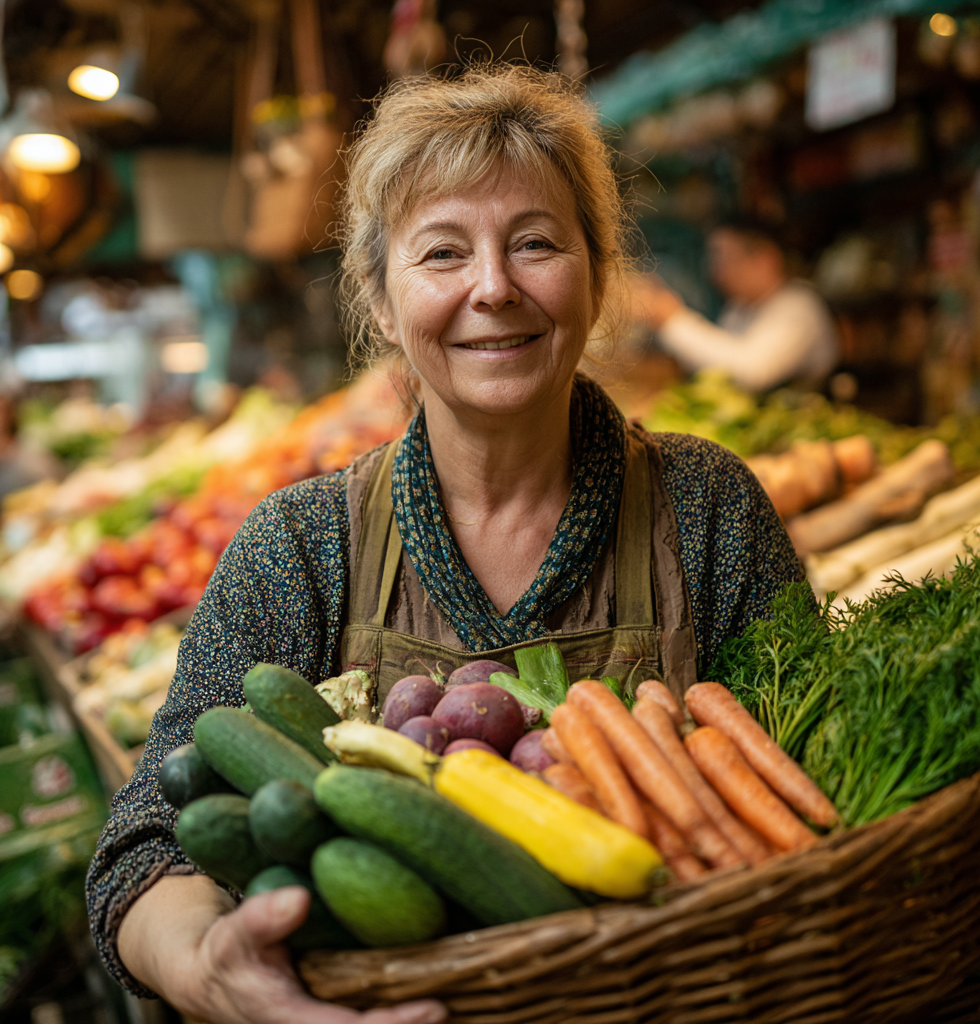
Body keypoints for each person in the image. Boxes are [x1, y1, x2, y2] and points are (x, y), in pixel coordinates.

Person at [86, 66, 802, 1024]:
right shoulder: (298, 548)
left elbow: (812, 783)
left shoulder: (709, 508)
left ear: (597, 274)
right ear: (381, 303)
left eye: (537, 243)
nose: (495, 288)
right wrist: (207, 968)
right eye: (442, 254)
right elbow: (145, 843)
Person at [632, 221, 839, 392]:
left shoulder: (798, 307)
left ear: (765, 259)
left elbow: (751, 372)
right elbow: (714, 364)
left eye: (724, 258)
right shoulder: (739, 307)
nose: (715, 271)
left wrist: (673, 320)